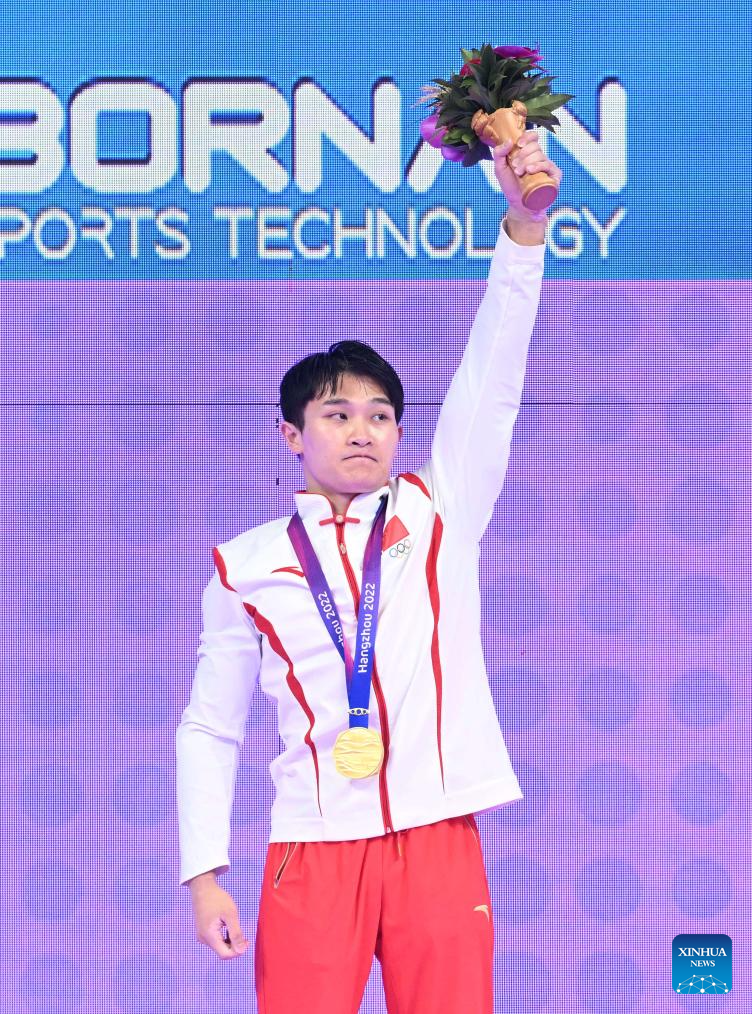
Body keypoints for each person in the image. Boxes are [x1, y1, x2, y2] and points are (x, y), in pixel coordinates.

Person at [176, 132, 562, 1013]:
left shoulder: (439, 508)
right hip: (311, 848)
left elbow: (493, 379)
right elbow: (210, 727)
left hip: (437, 837)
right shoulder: (246, 567)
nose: (362, 430)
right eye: (338, 413)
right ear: (291, 434)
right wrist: (204, 874)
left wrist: (523, 231)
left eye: (381, 415)